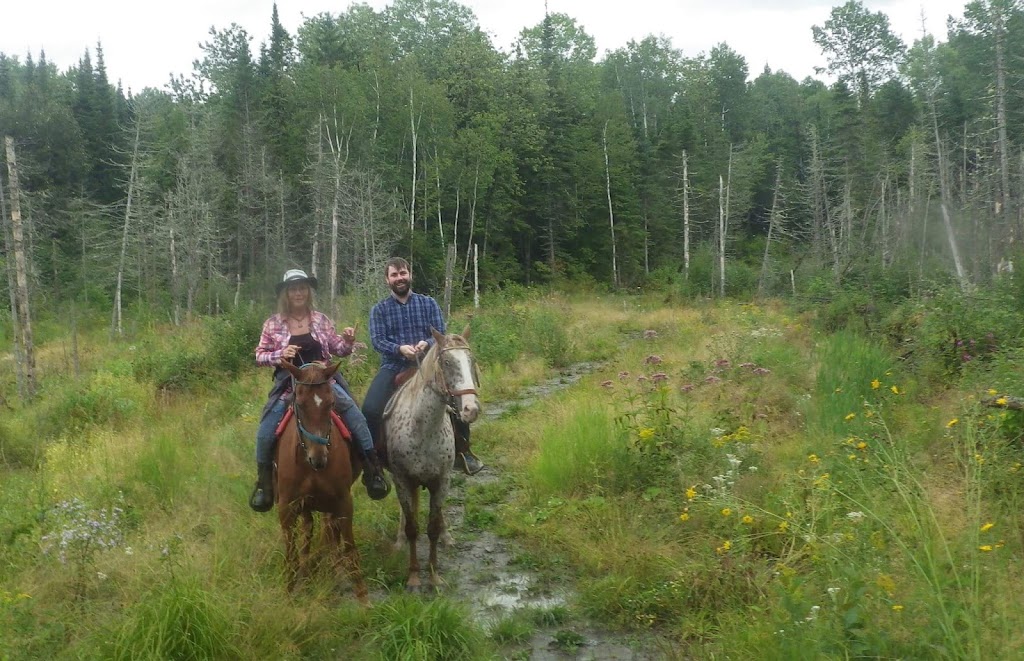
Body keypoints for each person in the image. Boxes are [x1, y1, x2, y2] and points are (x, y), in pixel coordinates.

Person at [249, 269, 390, 512]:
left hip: (324, 381)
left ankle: (372, 470)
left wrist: (347, 341)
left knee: (356, 417)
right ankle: (264, 484)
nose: (298, 293)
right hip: (290, 383)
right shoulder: (272, 323)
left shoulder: (321, 320)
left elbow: (338, 349)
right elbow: (259, 356)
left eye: (302, 288)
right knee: (265, 430)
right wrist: (279, 354)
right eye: (293, 289)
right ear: (286, 293)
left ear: (308, 291)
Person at [362, 257, 484, 475]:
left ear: (410, 275)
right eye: (394, 275)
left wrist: (425, 343)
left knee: (457, 398)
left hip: (429, 366)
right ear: (387, 279)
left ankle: (463, 451)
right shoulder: (379, 309)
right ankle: (374, 461)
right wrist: (400, 349)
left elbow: (440, 332)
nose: (399, 278)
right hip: (393, 365)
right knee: (370, 408)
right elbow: (377, 340)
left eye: (403, 274)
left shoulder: (428, 303)